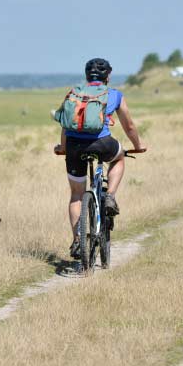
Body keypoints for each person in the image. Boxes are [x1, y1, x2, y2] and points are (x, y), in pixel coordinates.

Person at [53, 58, 145, 259]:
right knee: (119, 158)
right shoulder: (114, 95)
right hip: (102, 143)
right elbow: (129, 126)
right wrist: (138, 146)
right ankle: (110, 195)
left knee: (76, 195)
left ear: (86, 76)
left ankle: (78, 240)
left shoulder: (75, 93)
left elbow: (65, 124)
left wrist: (63, 148)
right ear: (108, 76)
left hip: (74, 146)